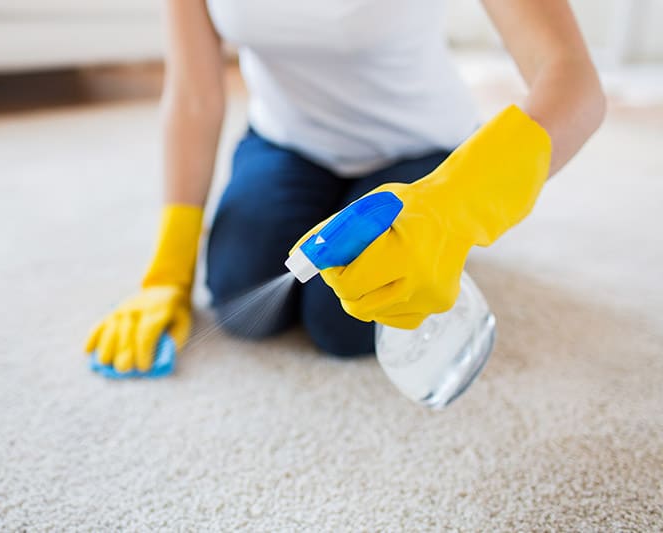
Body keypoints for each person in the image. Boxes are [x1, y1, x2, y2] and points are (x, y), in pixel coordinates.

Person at [85, 0, 606, 372]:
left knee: (345, 324)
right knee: (239, 301)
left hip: (419, 151)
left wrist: (456, 206)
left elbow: (571, 77)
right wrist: (167, 273)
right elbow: (194, 95)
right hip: (287, 141)